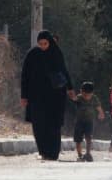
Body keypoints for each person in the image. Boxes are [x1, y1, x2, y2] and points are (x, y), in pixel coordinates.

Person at [21, 30, 75, 161]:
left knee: (53, 125)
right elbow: (25, 75)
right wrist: (24, 96)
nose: (43, 46)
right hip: (36, 96)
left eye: (45, 43)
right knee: (38, 125)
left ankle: (53, 153)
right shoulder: (32, 54)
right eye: (40, 43)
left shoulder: (56, 54)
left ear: (50, 42)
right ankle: (43, 151)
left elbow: (64, 71)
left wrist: (70, 88)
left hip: (55, 96)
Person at [71, 81, 105, 162]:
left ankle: (88, 153)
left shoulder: (94, 98)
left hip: (89, 121)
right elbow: (74, 99)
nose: (86, 97)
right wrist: (72, 96)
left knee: (89, 137)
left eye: (88, 95)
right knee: (78, 139)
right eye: (85, 94)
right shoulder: (79, 97)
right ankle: (80, 155)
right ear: (81, 92)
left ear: (92, 93)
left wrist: (101, 113)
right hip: (79, 121)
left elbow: (98, 107)